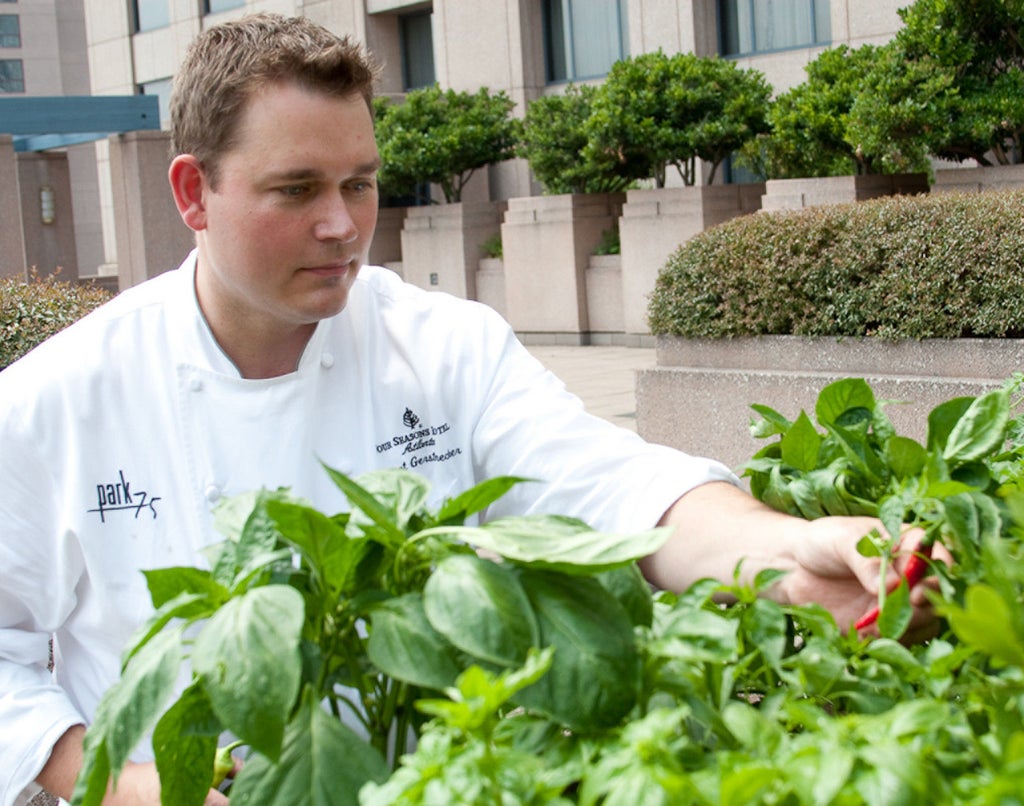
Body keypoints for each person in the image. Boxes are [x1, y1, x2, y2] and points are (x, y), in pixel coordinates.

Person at [0, 13, 938, 806]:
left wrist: (783, 554)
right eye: (297, 190)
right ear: (193, 193)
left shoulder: (443, 345)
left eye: (360, 183)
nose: (342, 224)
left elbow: (610, 486)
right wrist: (131, 785)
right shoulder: (56, 399)